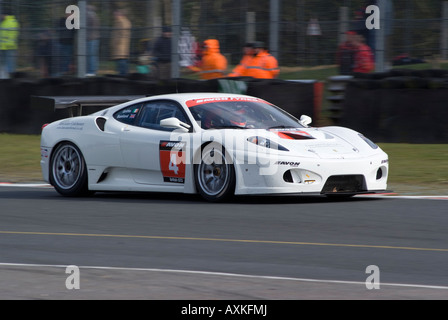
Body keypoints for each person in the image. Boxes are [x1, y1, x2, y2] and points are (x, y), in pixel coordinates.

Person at [111, 8, 131, 75]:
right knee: (121, 59)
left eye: (115, 14)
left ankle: (123, 74)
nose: (114, 16)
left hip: (121, 45)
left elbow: (123, 34)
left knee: (122, 59)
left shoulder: (122, 22)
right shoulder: (120, 21)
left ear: (119, 14)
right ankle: (123, 73)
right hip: (120, 45)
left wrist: (116, 42)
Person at [0, 10, 20, 79]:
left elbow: (8, 34)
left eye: (1, 15)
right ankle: (6, 77)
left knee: (9, 62)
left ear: (5, 15)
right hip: (4, 46)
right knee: (8, 62)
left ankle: (10, 78)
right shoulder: (5, 22)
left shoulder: (11, 22)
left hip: (8, 46)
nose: (0, 16)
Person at [86, 5, 100, 76]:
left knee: (91, 55)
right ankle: (93, 70)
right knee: (93, 55)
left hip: (90, 38)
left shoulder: (89, 16)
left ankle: (91, 71)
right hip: (94, 38)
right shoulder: (95, 15)